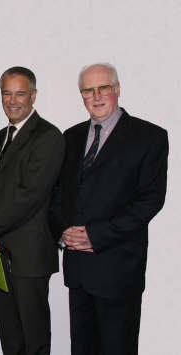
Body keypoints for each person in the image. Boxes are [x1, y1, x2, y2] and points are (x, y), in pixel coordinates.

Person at [51, 63, 168, 355]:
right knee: (82, 348)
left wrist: (96, 235)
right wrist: (63, 233)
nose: (96, 95)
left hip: (118, 268)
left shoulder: (149, 137)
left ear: (117, 90)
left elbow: (150, 200)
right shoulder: (71, 137)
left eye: (103, 88)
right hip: (78, 269)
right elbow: (58, 195)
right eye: (88, 90)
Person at [0, 66, 64, 355]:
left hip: (29, 256)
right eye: (7, 93)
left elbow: (28, 196)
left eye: (20, 93)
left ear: (33, 96)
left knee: (35, 338)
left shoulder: (48, 136)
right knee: (10, 336)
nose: (13, 100)